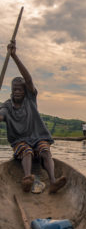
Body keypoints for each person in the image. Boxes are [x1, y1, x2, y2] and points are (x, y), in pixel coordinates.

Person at [0, 41, 66, 193]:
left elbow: (28, 80)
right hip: (21, 144)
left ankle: (53, 182)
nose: (17, 92)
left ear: (25, 92)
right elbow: (1, 116)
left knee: (45, 149)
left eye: (20, 90)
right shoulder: (7, 106)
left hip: (37, 139)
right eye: (14, 89)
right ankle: (27, 178)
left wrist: (14, 56)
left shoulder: (30, 99)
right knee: (26, 150)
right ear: (11, 91)